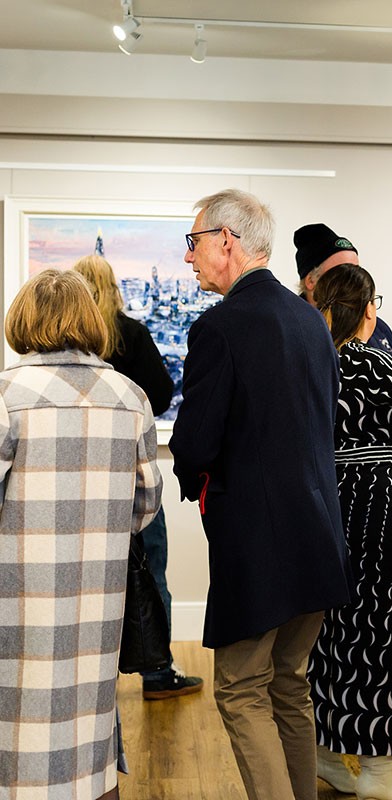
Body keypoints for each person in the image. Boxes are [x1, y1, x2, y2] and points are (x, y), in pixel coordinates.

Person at [169, 189, 352, 800]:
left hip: (258, 546)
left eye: (193, 243)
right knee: (289, 686)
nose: (189, 258)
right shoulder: (309, 319)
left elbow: (193, 443)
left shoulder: (220, 327)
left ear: (227, 239)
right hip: (319, 537)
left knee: (242, 692)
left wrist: (194, 478)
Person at [0, 269, 162, 800]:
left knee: (18, 734)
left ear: (23, 320)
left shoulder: (7, 395)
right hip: (97, 602)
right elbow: (146, 505)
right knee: (88, 731)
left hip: (17, 604)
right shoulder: (130, 397)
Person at [308, 264, 392, 800]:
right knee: (388, 634)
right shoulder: (371, 361)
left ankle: (326, 755)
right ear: (368, 309)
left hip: (331, 500)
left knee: (334, 634)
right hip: (382, 505)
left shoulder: (317, 361)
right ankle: (380, 776)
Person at [72, 254, 203, 700]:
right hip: (128, 474)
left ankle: (89, 677)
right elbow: (165, 393)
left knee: (81, 580)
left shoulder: (62, 344)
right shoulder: (131, 334)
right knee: (150, 573)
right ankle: (157, 672)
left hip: (75, 478)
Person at [293, 222, 392, 359]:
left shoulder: (378, 329)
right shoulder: (293, 330)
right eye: (341, 272)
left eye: (357, 270)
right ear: (311, 280)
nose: (354, 279)